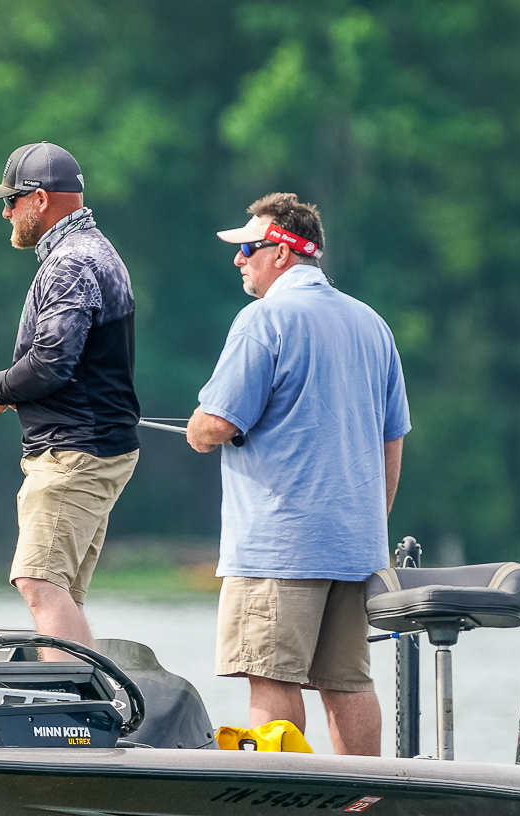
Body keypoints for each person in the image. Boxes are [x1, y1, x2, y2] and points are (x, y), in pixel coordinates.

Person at [185, 192, 409, 756]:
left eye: (249, 249)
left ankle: (282, 814)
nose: (239, 259)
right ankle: (364, 809)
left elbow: (214, 424)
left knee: (271, 676)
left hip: (278, 546)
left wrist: (197, 428)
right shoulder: (373, 324)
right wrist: (370, 524)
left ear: (282, 253)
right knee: (348, 683)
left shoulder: (264, 319)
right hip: (356, 547)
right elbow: (393, 437)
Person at [0, 142, 140, 649]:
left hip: (74, 454)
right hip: (92, 447)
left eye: (12, 200)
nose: (5, 211)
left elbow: (52, 362)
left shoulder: (72, 262)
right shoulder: (93, 251)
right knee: (60, 593)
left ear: (40, 200)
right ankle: (85, 715)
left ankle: (80, 717)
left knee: (38, 583)